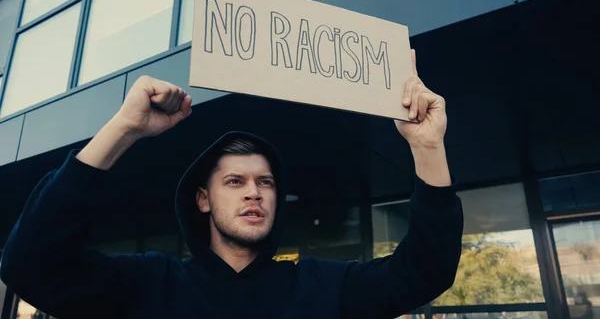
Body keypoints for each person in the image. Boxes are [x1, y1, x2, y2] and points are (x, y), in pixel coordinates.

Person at [0, 50, 463, 319]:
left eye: (265, 182)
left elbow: (426, 271)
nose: (254, 192)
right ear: (202, 199)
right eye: (235, 181)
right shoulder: (147, 284)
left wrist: (427, 148)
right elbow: (29, 264)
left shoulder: (325, 285)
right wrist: (123, 128)